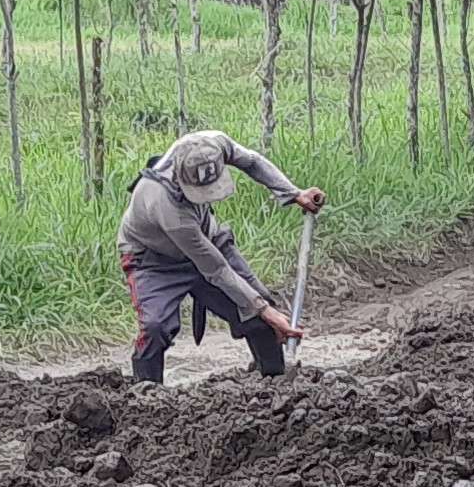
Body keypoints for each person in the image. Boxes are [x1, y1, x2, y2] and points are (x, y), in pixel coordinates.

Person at [119, 126, 326, 384]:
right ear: (180, 180)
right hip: (153, 260)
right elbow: (215, 268)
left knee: (257, 312)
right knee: (155, 328)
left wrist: (293, 193)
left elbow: (252, 161)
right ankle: (147, 393)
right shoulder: (166, 207)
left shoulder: (211, 144)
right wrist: (263, 309)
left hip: (207, 239)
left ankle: (274, 383)